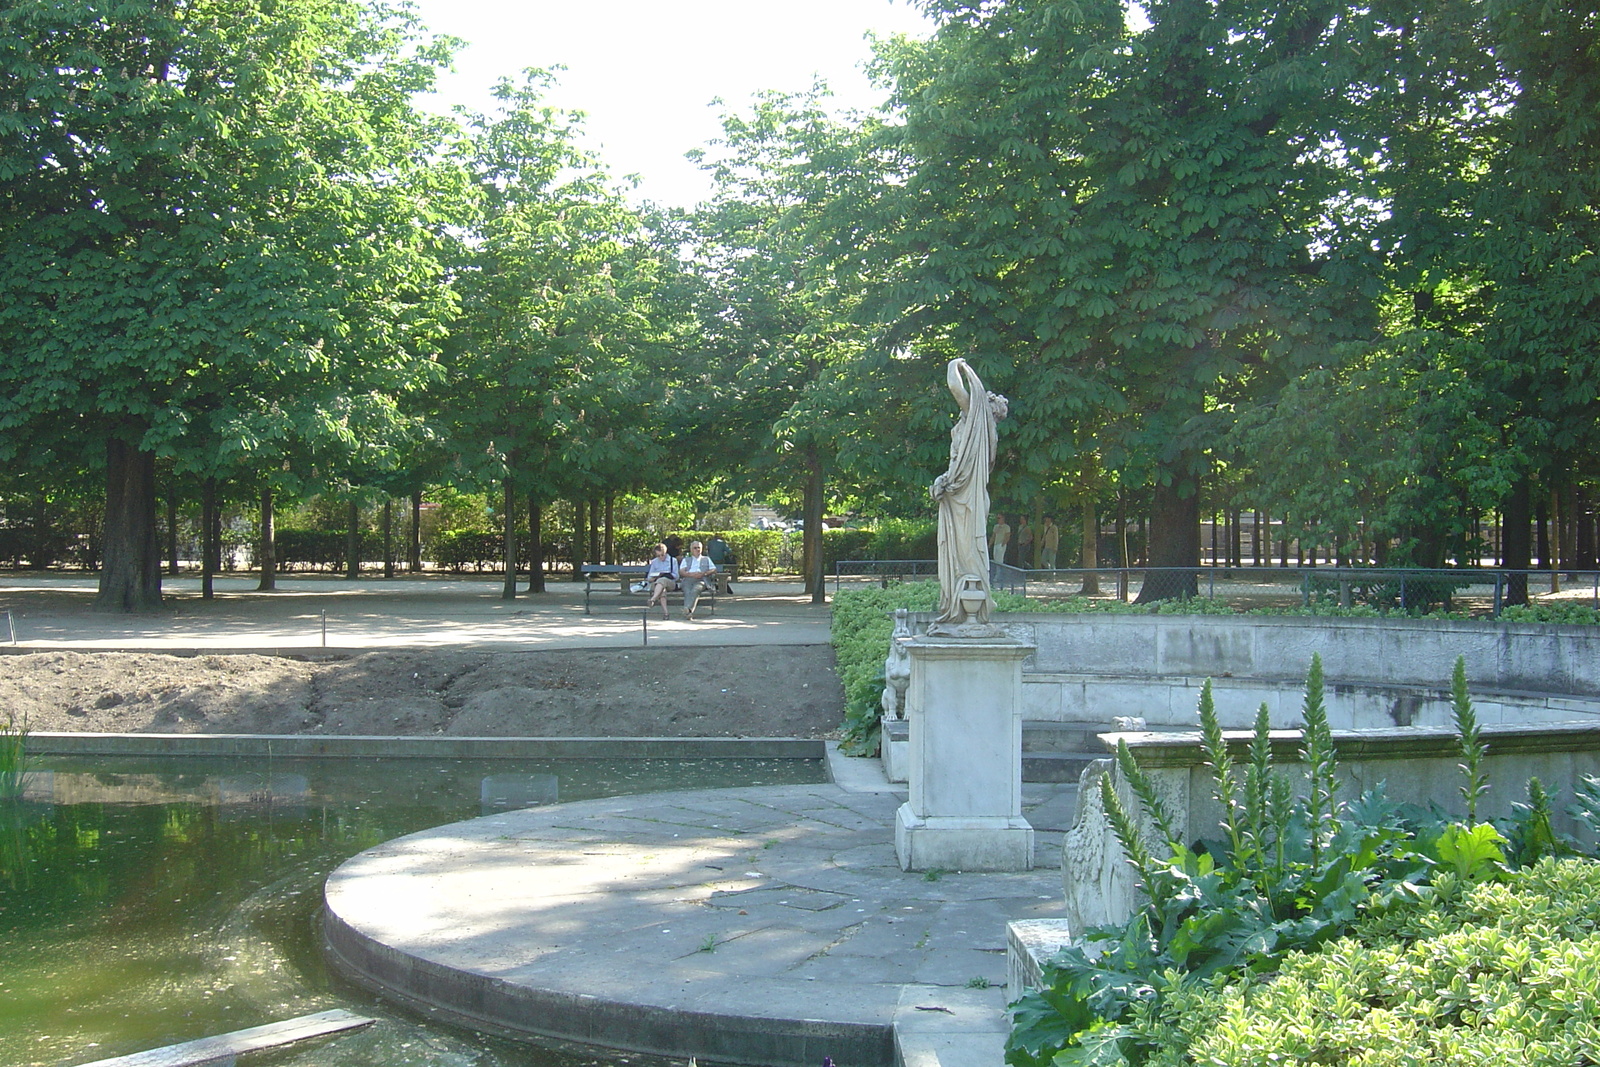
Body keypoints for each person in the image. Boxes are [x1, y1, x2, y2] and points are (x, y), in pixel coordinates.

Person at [930, 358, 1008, 630]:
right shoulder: (984, 433)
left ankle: (969, 609)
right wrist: (945, 480)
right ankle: (964, 609)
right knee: (964, 557)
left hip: (967, 500)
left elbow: (955, 386)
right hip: (959, 495)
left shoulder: (980, 427)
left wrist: (955, 365)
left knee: (968, 558)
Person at [680, 540, 718, 621]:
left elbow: (714, 569)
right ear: (691, 550)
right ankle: (689, 612)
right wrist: (691, 574)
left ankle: (687, 609)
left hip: (702, 579)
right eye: (695, 548)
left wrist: (704, 573)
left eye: (699, 548)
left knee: (695, 590)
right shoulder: (686, 560)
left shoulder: (706, 559)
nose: (697, 549)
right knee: (687, 590)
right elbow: (682, 572)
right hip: (688, 579)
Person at [643, 543, 679, 619]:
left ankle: (653, 599)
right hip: (656, 584)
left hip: (670, 582)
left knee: (662, 580)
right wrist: (655, 577)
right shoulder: (654, 562)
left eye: (662, 555)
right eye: (658, 556)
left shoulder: (673, 560)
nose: (661, 557)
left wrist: (665, 575)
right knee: (662, 589)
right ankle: (666, 613)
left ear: (666, 552)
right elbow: (649, 577)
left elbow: (676, 576)